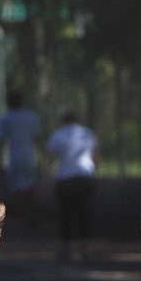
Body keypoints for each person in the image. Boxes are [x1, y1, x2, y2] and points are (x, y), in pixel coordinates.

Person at [44, 111, 98, 262]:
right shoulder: (87, 133)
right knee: (84, 213)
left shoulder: (58, 135)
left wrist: (48, 179)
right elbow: (95, 155)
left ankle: (65, 247)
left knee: (66, 213)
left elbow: (51, 158)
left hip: (65, 179)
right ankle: (85, 247)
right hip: (84, 176)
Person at [0, 91, 41, 222]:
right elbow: (37, 138)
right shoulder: (31, 117)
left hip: (14, 157)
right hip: (29, 156)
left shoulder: (6, 118)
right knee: (29, 185)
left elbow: (2, 141)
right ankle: (28, 213)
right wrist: (40, 158)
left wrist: (0, 162)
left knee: (16, 187)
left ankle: (21, 215)